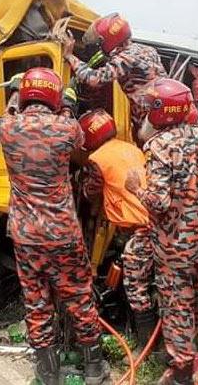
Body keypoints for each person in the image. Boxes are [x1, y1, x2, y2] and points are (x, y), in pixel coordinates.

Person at [0, 68, 108, 385]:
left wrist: (17, 94)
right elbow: (78, 136)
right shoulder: (65, 127)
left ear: (25, 94)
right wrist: (68, 103)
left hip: (25, 235)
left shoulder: (7, 127)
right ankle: (94, 369)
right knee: (79, 298)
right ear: (54, 98)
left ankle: (48, 373)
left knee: (37, 301)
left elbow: (10, 110)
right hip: (62, 233)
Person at [124, 78, 198, 385]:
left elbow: (158, 202)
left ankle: (181, 371)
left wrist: (135, 189)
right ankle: (188, 355)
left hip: (172, 242)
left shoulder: (159, 145)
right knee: (192, 299)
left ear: (160, 111)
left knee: (174, 305)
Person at [78, 108, 158, 346]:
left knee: (135, 287)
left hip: (138, 230)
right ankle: (140, 334)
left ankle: (147, 348)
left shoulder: (97, 159)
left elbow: (90, 193)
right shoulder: (131, 147)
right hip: (154, 222)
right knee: (144, 280)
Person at [62, 13, 167, 131]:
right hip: (161, 113)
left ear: (109, 40)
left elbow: (94, 79)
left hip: (151, 123)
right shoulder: (147, 50)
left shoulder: (127, 57)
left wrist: (70, 56)